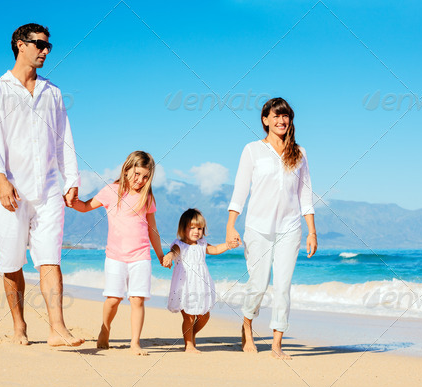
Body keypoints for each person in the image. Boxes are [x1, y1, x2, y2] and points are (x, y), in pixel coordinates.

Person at [0, 23, 84, 346]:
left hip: (49, 190)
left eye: (47, 46)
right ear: (19, 45)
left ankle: (57, 329)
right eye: (38, 44)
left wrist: (72, 180)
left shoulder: (52, 93)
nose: (44, 50)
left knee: (50, 258)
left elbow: (63, 140)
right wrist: (0, 180)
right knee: (12, 263)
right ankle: (19, 327)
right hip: (11, 190)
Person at [225, 97, 318, 359]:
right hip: (257, 227)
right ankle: (247, 325)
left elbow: (306, 194)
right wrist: (231, 225)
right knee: (258, 284)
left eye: (285, 115)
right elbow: (241, 190)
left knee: (283, 286)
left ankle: (277, 343)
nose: (281, 120)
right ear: (265, 120)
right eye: (275, 116)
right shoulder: (252, 150)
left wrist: (312, 230)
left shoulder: (299, 153)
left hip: (290, 228)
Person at [72, 151, 164, 355]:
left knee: (137, 299)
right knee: (113, 299)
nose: (140, 180)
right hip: (115, 256)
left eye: (146, 177)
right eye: (137, 174)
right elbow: (86, 207)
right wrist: (68, 200)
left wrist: (159, 255)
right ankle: (105, 329)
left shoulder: (147, 197)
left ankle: (135, 342)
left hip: (141, 256)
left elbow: (152, 229)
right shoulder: (111, 191)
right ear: (127, 168)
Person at [163, 208, 238, 353]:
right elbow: (173, 252)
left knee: (204, 315)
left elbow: (215, 249)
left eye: (199, 228)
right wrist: (168, 257)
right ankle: (189, 344)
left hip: (201, 286)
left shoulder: (202, 244)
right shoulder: (179, 244)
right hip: (185, 286)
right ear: (183, 229)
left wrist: (228, 245)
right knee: (189, 317)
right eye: (192, 228)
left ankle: (191, 335)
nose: (196, 231)